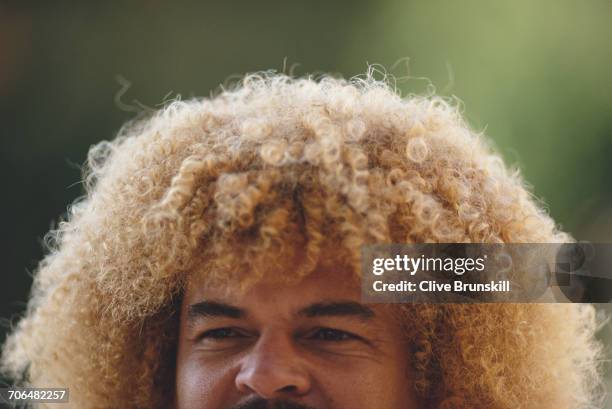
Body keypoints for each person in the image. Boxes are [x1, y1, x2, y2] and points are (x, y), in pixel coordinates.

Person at [0, 72, 603, 409]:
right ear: (157, 381)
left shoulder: (405, 274)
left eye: (329, 333)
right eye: (223, 333)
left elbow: (562, 276)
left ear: (439, 386)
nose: (266, 375)